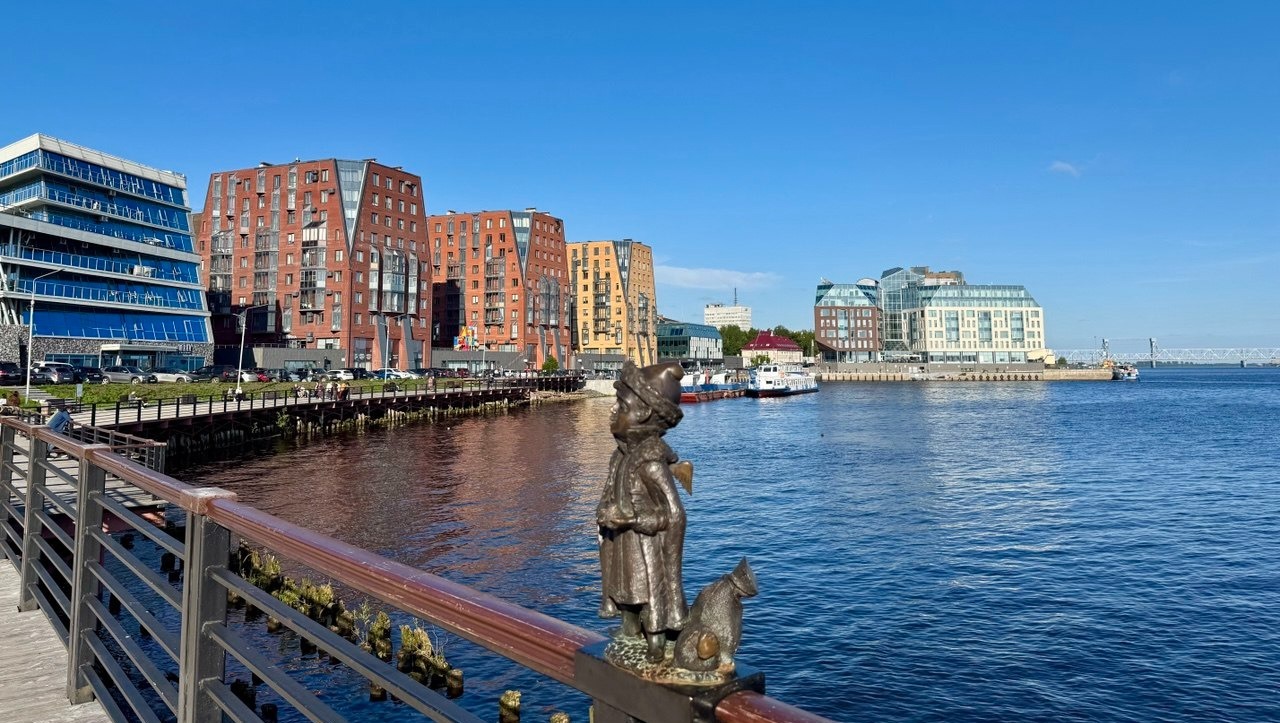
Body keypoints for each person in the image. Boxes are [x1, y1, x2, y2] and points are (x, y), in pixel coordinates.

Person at [596, 360, 689, 662]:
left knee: (649, 598)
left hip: (645, 550)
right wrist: (605, 513)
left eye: (621, 406)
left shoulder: (650, 462)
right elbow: (610, 493)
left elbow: (674, 515)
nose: (613, 411)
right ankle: (628, 637)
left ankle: (656, 644)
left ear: (644, 414)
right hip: (622, 547)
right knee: (626, 598)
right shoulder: (619, 457)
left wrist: (634, 519)